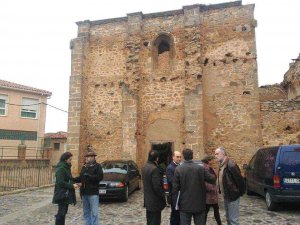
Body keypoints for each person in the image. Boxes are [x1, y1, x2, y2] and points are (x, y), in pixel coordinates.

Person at [172, 149, 215, 225]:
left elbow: (175, 188)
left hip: (185, 204)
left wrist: (176, 203)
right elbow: (212, 179)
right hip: (199, 203)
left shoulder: (178, 169)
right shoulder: (200, 168)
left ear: (184, 157)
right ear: (192, 156)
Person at [215, 147, 245, 225]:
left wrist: (239, 193)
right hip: (226, 195)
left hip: (233, 196)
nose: (215, 156)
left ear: (223, 154)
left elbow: (240, 180)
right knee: (228, 218)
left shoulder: (231, 164)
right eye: (215, 154)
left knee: (233, 221)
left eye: (217, 154)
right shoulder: (222, 165)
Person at [74, 147, 103, 225]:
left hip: (93, 193)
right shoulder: (84, 166)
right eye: (86, 157)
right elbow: (81, 177)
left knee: (94, 213)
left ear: (93, 157)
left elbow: (100, 177)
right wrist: (73, 179)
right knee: (86, 212)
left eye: (88, 157)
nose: (86, 158)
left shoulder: (98, 166)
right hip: (84, 193)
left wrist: (89, 176)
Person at [53, 152, 79, 225]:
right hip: (62, 194)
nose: (71, 161)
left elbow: (69, 179)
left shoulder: (66, 167)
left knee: (63, 213)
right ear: (65, 159)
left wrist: (75, 183)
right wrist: (72, 186)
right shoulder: (61, 168)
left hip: (66, 194)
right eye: (70, 159)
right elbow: (60, 182)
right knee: (61, 213)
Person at [142, 150, 166, 225]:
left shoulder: (144, 167)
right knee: (155, 221)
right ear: (157, 158)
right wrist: (163, 195)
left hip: (148, 201)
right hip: (155, 202)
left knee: (149, 221)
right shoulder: (154, 169)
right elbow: (157, 187)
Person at [202, 155, 222, 225]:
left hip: (212, 195)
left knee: (216, 210)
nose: (213, 161)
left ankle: (219, 223)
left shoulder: (208, 167)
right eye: (211, 160)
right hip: (209, 194)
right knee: (206, 212)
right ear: (208, 161)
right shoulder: (205, 168)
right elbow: (204, 181)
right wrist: (211, 188)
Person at [166, 151, 182, 225]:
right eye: (177, 157)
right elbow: (171, 181)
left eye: (180, 157)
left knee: (179, 215)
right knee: (175, 215)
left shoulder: (180, 166)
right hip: (174, 195)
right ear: (173, 157)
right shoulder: (170, 167)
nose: (179, 158)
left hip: (180, 195)